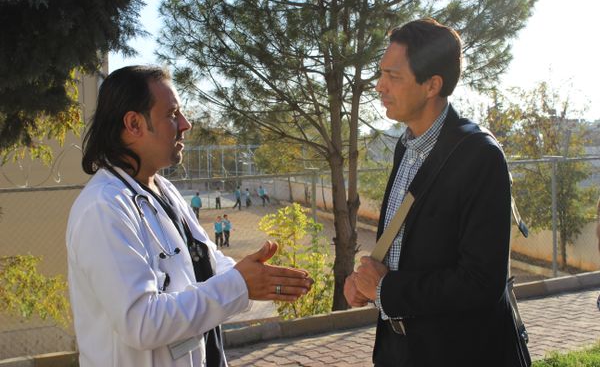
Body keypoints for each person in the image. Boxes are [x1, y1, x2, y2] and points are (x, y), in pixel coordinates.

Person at [67, 65, 313, 367]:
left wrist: (253, 276)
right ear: (134, 124)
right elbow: (141, 322)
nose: (186, 124)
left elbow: (207, 265)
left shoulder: (163, 189)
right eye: (172, 114)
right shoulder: (104, 209)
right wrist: (238, 284)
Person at [344, 19, 530, 366]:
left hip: (461, 352)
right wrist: (366, 283)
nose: (379, 86)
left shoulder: (480, 156)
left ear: (432, 85)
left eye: (393, 76)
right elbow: (411, 250)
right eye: (381, 73)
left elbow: (480, 282)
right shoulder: (405, 147)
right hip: (400, 351)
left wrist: (386, 290)